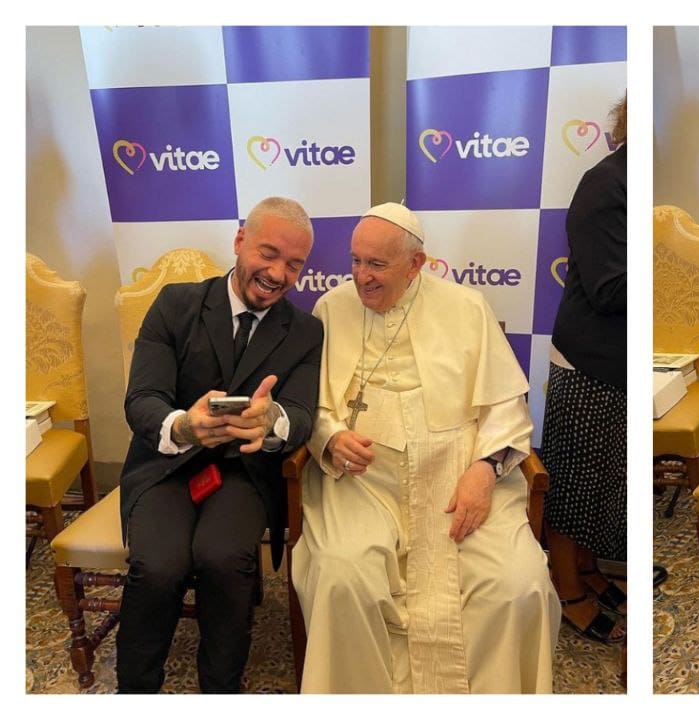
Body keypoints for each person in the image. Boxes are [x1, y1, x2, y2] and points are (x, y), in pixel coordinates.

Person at [291, 202, 559, 693]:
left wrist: (485, 469)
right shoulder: (331, 306)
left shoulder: (467, 306)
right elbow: (311, 403)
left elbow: (505, 406)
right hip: (362, 477)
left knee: (515, 583)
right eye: (355, 261)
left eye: (377, 264)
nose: (361, 277)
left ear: (415, 264)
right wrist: (331, 437)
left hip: (458, 469)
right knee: (341, 574)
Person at [116, 197, 323, 692]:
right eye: (268, 254)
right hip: (167, 466)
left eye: (294, 264)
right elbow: (142, 399)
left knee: (224, 559)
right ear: (239, 240)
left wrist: (271, 421)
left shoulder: (306, 331)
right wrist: (183, 426)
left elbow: (301, 415)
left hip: (243, 474)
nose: (278, 274)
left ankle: (221, 690)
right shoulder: (176, 304)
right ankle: (135, 692)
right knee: (157, 566)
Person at [541, 95, 628, 644]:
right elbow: (608, 289)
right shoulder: (605, 185)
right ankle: (566, 586)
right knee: (574, 485)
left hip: (618, 362)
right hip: (588, 360)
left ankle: (591, 571)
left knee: (603, 484)